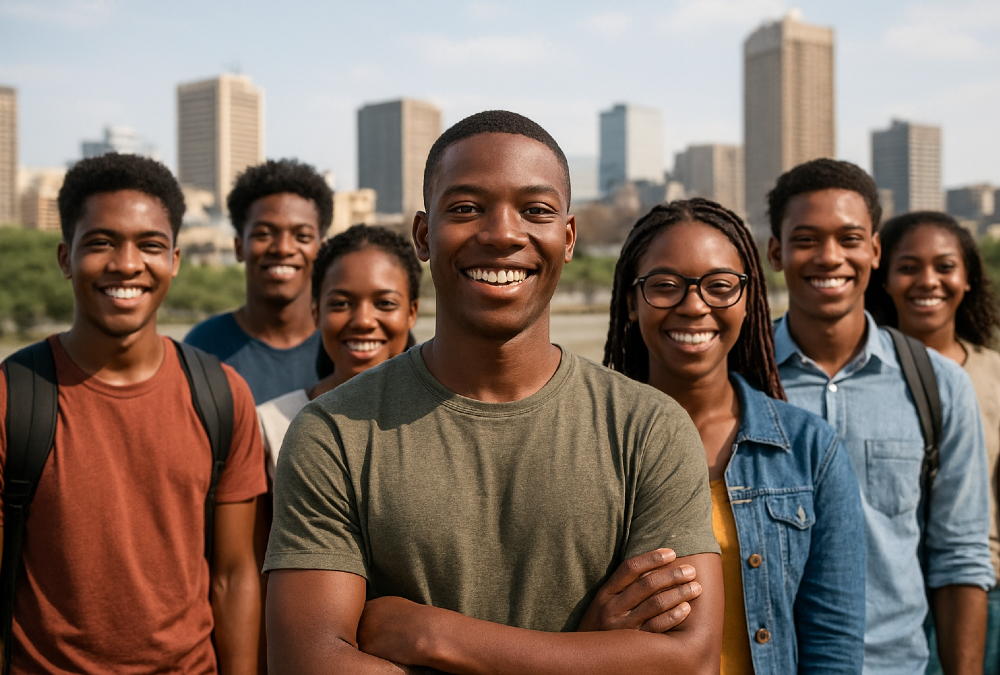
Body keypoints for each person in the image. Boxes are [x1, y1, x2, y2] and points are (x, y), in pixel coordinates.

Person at [264, 110, 724, 674]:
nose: (503, 234)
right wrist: (587, 655)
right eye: (465, 209)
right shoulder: (334, 434)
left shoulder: (648, 429)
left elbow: (690, 661)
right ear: (423, 235)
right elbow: (308, 663)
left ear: (568, 237)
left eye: (535, 210)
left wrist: (438, 637)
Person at [0, 153, 266, 674]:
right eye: (100, 243)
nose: (126, 264)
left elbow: (234, 576)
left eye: (149, 245)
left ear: (175, 260)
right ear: (64, 258)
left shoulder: (221, 395)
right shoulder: (12, 398)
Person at [603, 197, 865, 674]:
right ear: (630, 301)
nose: (694, 305)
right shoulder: (591, 443)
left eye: (720, 286)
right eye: (665, 286)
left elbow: (833, 643)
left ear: (748, 300)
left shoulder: (809, 448)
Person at [765, 158, 994, 675]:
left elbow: (959, 557)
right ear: (775, 252)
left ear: (874, 250)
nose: (829, 257)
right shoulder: (735, 381)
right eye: (806, 239)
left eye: (849, 239)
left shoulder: (939, 385)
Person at [866, 210, 1000, 675]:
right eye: (908, 267)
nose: (928, 281)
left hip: (984, 595)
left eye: (945, 267)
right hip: (886, 599)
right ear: (883, 279)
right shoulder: (859, 377)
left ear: (967, 279)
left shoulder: (993, 376)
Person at [256, 223, 421, 480]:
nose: (363, 321)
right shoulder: (271, 425)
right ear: (316, 312)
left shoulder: (444, 418)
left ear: (411, 312)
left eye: (385, 304)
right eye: (341, 303)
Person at [185, 159, 334, 403]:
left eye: (302, 236)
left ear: (322, 250)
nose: (283, 248)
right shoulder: (202, 347)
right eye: (264, 234)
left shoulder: (343, 341)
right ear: (239, 247)